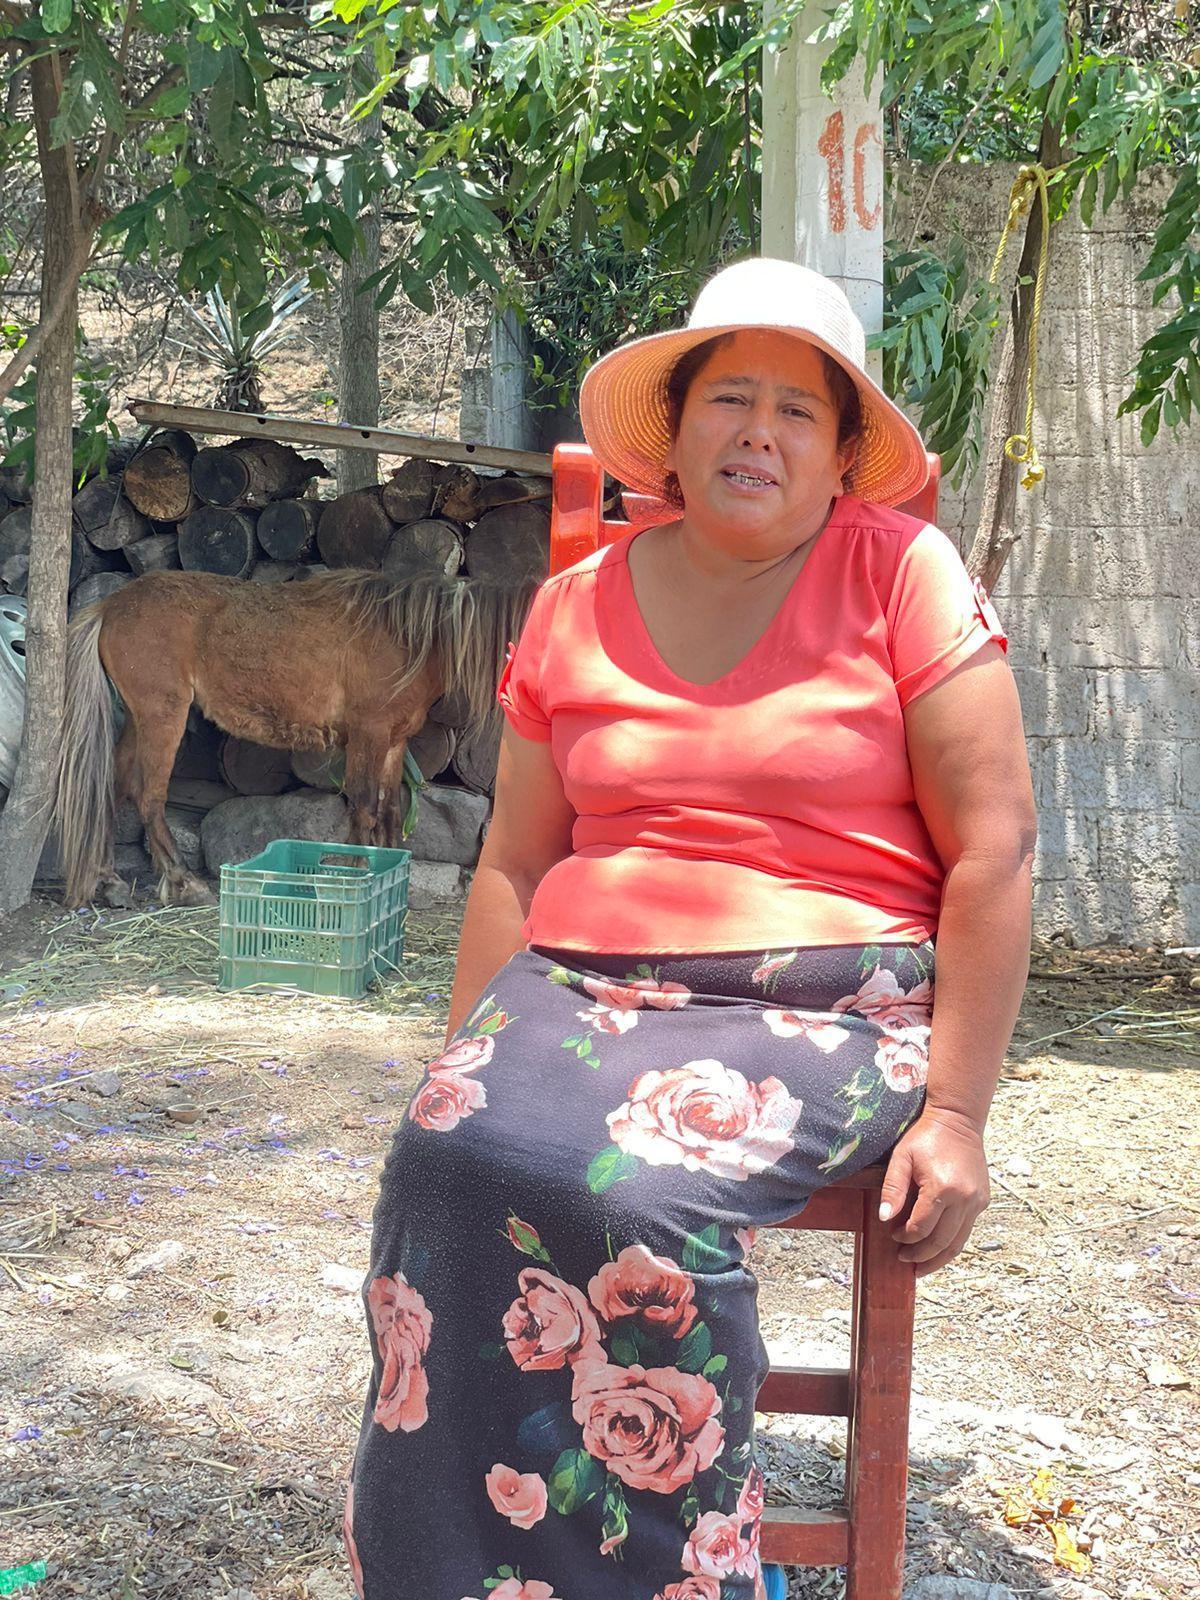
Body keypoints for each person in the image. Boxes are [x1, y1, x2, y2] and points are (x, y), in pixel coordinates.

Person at [344, 257, 1037, 1600]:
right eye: (730, 399)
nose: (758, 433)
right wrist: (465, 1061)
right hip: (582, 987)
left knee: (643, 1197)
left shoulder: (904, 576)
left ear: (841, 452)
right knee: (441, 1156)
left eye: (797, 409)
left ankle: (685, 1566)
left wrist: (957, 1113)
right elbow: (516, 859)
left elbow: (994, 848)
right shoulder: (574, 605)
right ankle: (455, 1572)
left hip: (825, 1001)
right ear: (677, 430)